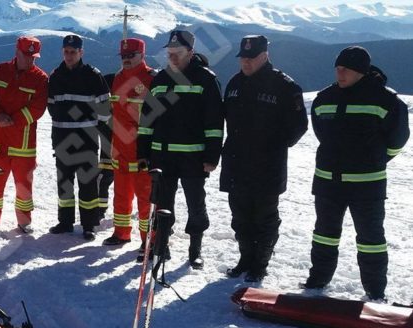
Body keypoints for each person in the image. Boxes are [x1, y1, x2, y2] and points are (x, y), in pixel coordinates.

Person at [303, 46, 409, 300]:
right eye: (337, 68)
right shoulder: (325, 98)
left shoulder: (385, 100)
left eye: (346, 69)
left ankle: (375, 291)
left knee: (371, 239)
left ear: (361, 71)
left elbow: (397, 139)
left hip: (367, 185)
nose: (340, 73)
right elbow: (321, 133)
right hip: (328, 182)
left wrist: (376, 160)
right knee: (324, 235)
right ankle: (318, 281)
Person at [221, 35, 308, 281]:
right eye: (243, 58)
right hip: (237, 162)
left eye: (252, 58)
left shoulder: (284, 85)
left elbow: (299, 126)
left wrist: (273, 146)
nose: (246, 63)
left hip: (267, 166)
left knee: (265, 218)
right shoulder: (235, 83)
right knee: (240, 217)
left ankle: (260, 263)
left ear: (265, 56)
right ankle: (245, 258)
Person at [137, 30, 224, 269]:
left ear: (191, 53)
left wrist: (212, 156)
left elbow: (214, 122)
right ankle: (161, 246)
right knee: (163, 204)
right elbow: (147, 120)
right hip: (161, 155)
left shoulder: (205, 79)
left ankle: (195, 249)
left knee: (196, 204)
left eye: (178, 53)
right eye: (170, 53)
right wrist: (142, 152)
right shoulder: (161, 79)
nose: (173, 58)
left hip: (193, 157)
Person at [0, 35, 48, 234]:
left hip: (24, 146)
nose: (30, 60)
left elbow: (38, 107)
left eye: (33, 57)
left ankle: (24, 222)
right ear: (16, 52)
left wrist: (14, 120)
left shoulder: (40, 79)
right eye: (26, 55)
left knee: (24, 186)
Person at [47, 34, 111, 241]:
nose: (69, 55)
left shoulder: (93, 75)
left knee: (88, 184)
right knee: (64, 183)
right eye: (66, 52)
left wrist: (88, 123)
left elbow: (105, 107)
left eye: (73, 52)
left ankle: (88, 224)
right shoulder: (56, 76)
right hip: (62, 139)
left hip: (86, 140)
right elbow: (51, 105)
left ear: (81, 52)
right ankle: (65, 222)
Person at [102, 38, 156, 261]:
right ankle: (121, 233)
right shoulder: (116, 79)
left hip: (142, 151)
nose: (126, 59)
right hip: (119, 150)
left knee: (146, 197)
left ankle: (149, 240)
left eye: (131, 55)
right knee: (121, 195)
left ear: (142, 55)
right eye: (123, 56)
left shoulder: (152, 79)